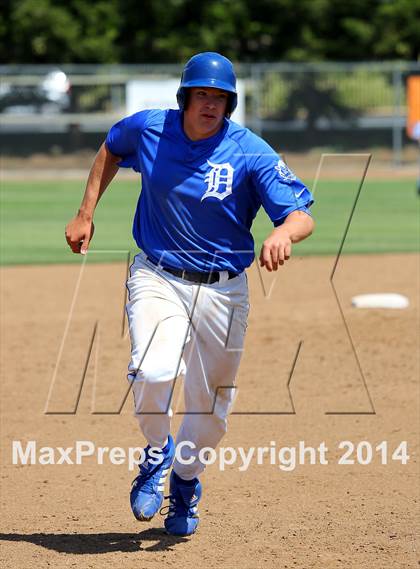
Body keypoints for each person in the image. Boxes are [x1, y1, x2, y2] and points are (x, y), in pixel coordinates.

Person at [65, 52, 314, 537]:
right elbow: (111, 148)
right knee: (152, 369)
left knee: (211, 413)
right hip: (157, 275)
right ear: (185, 97)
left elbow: (301, 211)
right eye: (202, 94)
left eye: (220, 97)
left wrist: (284, 233)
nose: (211, 105)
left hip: (224, 292)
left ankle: (184, 481)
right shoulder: (150, 129)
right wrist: (85, 211)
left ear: (230, 104)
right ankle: (157, 453)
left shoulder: (250, 150)